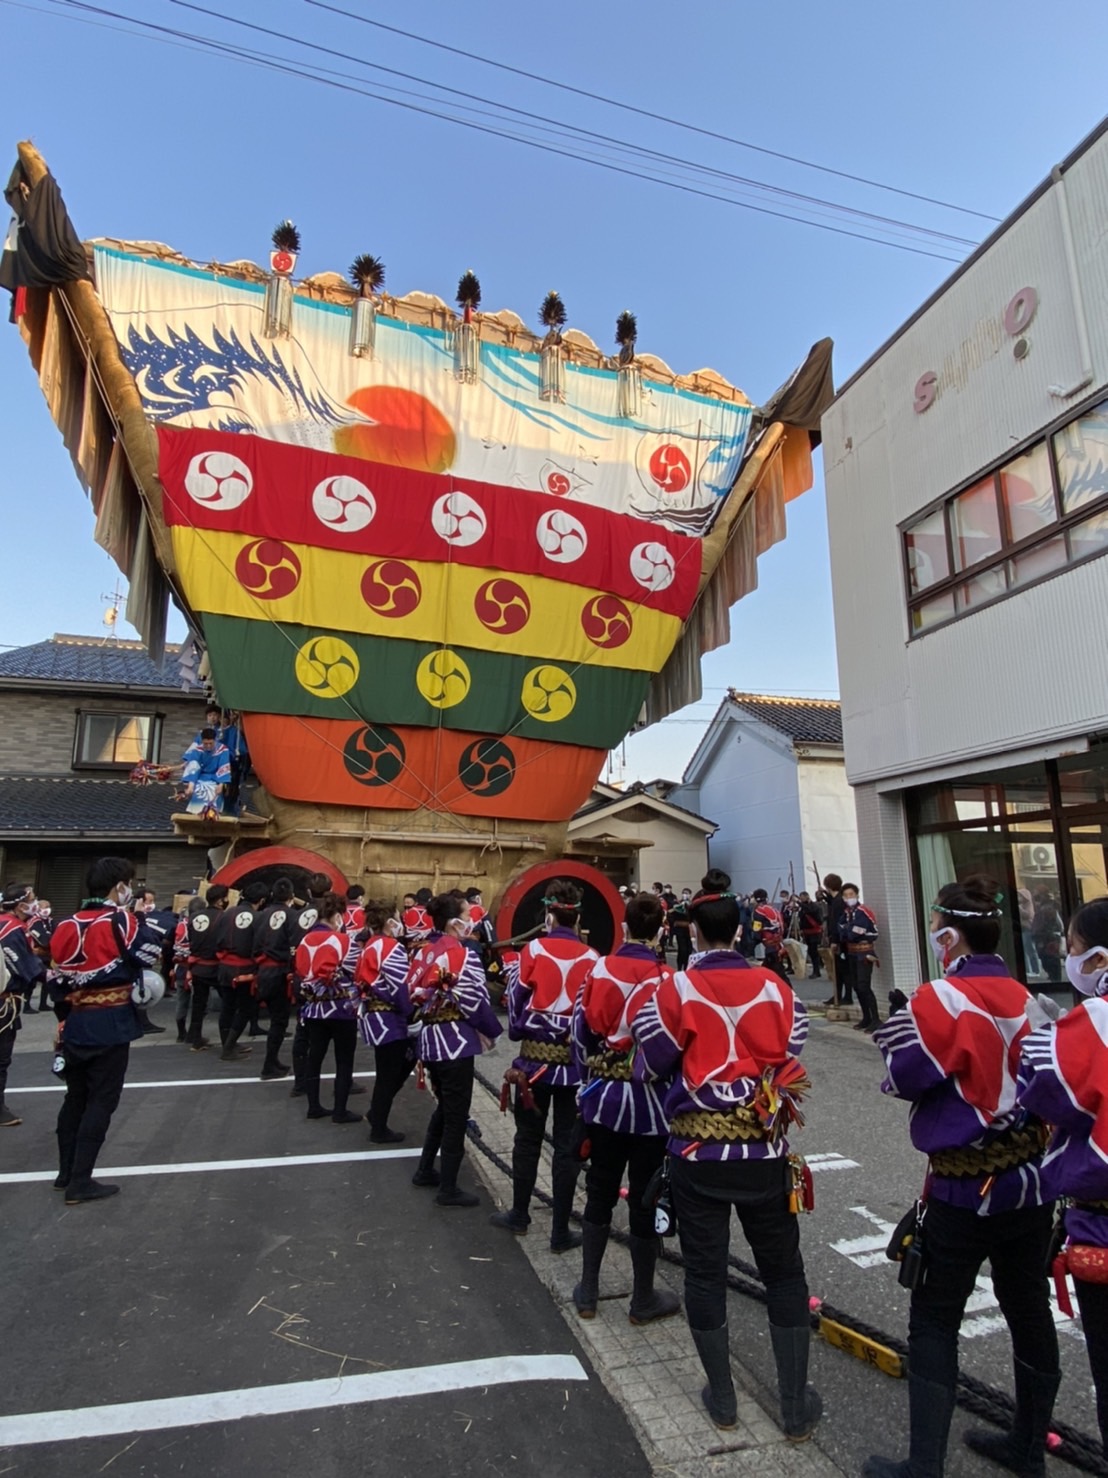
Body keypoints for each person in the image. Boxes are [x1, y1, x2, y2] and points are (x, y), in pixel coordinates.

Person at [862, 876, 1058, 1478]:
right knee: (1028, 1307)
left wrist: (900, 1027)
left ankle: (924, 1466)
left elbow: (903, 1077)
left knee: (936, 1318)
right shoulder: (1037, 1002)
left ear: (949, 935)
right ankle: (1028, 1449)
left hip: (960, 1189)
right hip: (1030, 1185)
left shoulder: (939, 999)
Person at [632, 868, 820, 1440]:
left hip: (697, 1154)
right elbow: (794, 1051)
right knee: (784, 1273)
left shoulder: (675, 989)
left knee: (705, 1272)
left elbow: (651, 1061)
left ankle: (723, 1397)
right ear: (740, 932)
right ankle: (792, 1405)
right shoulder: (777, 988)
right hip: (765, 1150)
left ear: (693, 934)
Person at [1017, 896, 1108, 1454]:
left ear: (1099, 959)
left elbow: (1045, 1089)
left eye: (1074, 950)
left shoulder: (1096, 1019)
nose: (1070, 961)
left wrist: (1043, 1033)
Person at [571, 890, 681, 1324]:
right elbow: (674, 1047)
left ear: (624, 926)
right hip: (652, 1106)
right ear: (660, 932)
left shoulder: (599, 968)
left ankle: (589, 1291)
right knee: (645, 1195)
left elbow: (580, 1035)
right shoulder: (668, 979)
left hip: (603, 1099)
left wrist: (587, 1083)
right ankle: (642, 1298)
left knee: (599, 1188)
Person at [49, 857, 166, 1203]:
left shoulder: (66, 923)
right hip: (112, 1019)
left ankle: (65, 1172)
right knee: (102, 1100)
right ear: (120, 887)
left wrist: (64, 1016)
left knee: (75, 1098)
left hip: (76, 1018)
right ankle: (81, 1181)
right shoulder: (122, 920)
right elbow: (149, 953)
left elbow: (56, 978)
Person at [491, 879, 598, 1251]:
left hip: (533, 1064)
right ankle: (560, 1231)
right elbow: (591, 1016)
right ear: (577, 917)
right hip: (571, 1068)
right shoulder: (592, 958)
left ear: (549, 915)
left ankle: (520, 1215)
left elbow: (516, 1001)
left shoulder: (533, 949)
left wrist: (522, 1029)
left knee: (527, 1139)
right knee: (568, 1148)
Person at [410, 892, 501, 1208]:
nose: (472, 920)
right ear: (454, 923)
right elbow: (477, 1001)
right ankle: (448, 1187)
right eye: (467, 914)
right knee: (457, 1112)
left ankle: (425, 1169)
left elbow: (411, 990)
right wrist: (493, 1032)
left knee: (445, 1106)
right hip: (455, 1041)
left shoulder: (425, 952)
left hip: (430, 1038)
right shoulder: (462, 954)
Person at [294, 892, 362, 1124]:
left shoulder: (305, 940)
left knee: (315, 1056)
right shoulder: (343, 941)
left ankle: (314, 1106)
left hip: (313, 1007)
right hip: (342, 1007)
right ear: (337, 916)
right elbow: (355, 971)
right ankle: (340, 1110)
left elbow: (301, 971)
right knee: (344, 1059)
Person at [355, 899, 413, 1143]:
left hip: (375, 1016)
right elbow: (400, 988)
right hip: (390, 1018)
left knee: (388, 1071)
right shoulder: (391, 947)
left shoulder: (371, 944)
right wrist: (411, 1013)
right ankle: (378, 1124)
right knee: (391, 1073)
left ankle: (377, 1114)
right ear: (391, 922)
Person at [0, 883, 46, 1127]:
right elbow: (27, 968)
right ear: (20, 906)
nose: (35, 903)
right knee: (1, 1058)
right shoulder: (13, 929)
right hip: (4, 1002)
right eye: (32, 898)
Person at [253, 878, 301, 1081]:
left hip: (263, 971)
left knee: (276, 1019)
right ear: (291, 896)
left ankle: (272, 1061)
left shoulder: (261, 915)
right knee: (279, 1021)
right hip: (280, 972)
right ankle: (269, 1064)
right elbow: (295, 946)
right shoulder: (293, 916)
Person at [215, 881, 268, 1061]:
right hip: (245, 968)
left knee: (227, 1007)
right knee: (245, 1008)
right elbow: (260, 944)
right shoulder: (258, 917)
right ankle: (229, 1047)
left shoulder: (225, 914)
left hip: (224, 966)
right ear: (261, 900)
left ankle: (227, 1043)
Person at [185, 884, 228, 1051]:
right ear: (219, 901)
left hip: (198, 966)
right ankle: (227, 1041)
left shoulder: (194, 917)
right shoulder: (223, 917)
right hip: (216, 966)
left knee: (198, 1004)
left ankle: (196, 1039)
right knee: (228, 1005)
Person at [837, 884, 881, 1032]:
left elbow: (854, 933)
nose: (849, 898)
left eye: (851, 894)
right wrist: (847, 931)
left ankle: (876, 1019)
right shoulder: (847, 912)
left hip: (864, 952)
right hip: (852, 952)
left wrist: (847, 931)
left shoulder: (862, 912)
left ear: (857, 895)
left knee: (864, 985)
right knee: (856, 985)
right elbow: (841, 928)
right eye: (846, 895)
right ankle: (866, 1017)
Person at [180, 727, 232, 816]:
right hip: (200, 778)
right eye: (205, 743)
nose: (208, 746)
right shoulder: (197, 750)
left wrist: (221, 785)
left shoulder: (223, 750)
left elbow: (223, 767)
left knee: (215, 795)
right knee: (198, 791)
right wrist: (190, 787)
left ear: (215, 740)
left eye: (210, 743)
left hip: (216, 778)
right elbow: (194, 769)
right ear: (202, 741)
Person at [821, 873, 851, 1006]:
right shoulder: (838, 900)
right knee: (840, 970)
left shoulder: (839, 902)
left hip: (840, 941)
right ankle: (839, 995)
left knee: (842, 969)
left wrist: (835, 940)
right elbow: (831, 901)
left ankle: (845, 996)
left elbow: (837, 923)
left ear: (828, 886)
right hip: (841, 939)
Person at [750, 889, 786, 979]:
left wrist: (752, 943)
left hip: (770, 943)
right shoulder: (773, 909)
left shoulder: (759, 911)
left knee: (778, 972)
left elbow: (757, 928)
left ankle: (788, 990)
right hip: (778, 941)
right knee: (767, 970)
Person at [1030, 890, 1064, 986]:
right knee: (1051, 959)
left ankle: (1055, 979)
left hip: (1046, 938)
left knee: (1048, 959)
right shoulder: (1048, 908)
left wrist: (1036, 934)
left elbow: (1041, 925)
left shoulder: (1045, 909)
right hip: (1049, 938)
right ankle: (1055, 978)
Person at [798, 893, 824, 980]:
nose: (801, 900)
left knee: (814, 951)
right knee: (811, 951)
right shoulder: (802, 908)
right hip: (807, 932)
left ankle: (817, 970)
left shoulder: (814, 906)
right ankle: (816, 968)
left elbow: (811, 911)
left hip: (815, 932)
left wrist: (799, 903)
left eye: (803, 898)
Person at [667, 888, 693, 971]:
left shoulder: (692, 905)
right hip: (679, 929)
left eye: (687, 893)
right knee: (682, 950)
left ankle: (686, 967)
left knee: (689, 950)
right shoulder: (677, 904)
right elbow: (670, 914)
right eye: (684, 893)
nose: (685, 895)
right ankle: (679, 967)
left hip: (688, 930)